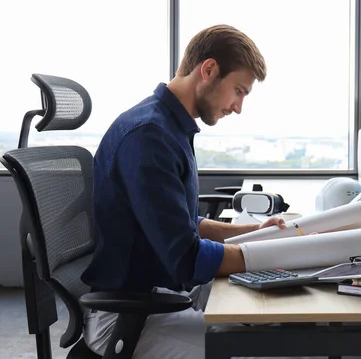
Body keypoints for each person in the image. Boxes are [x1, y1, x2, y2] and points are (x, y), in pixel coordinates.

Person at [81, 24, 285, 358]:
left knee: (272, 325)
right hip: (129, 319)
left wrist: (255, 234)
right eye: (239, 91)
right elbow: (187, 259)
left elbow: (186, 224)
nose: (238, 107)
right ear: (209, 70)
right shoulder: (149, 136)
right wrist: (272, 254)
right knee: (258, 349)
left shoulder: (168, 127)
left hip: (156, 299)